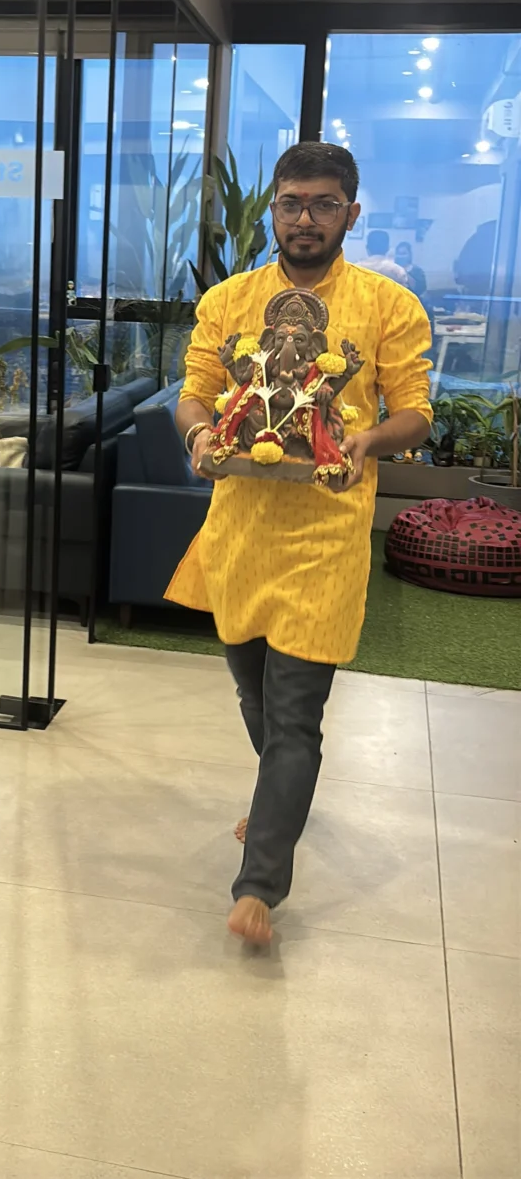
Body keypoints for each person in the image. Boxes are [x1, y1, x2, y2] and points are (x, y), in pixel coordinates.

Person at [168, 142, 432, 947]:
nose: (304, 218)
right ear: (274, 210)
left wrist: (366, 441)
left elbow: (415, 411)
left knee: (293, 714)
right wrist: (200, 435)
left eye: (323, 204)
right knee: (254, 697)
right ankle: (277, 797)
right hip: (241, 531)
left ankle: (259, 886)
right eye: (291, 202)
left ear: (351, 213)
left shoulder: (388, 306)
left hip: (327, 533)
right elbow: (195, 394)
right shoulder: (229, 301)